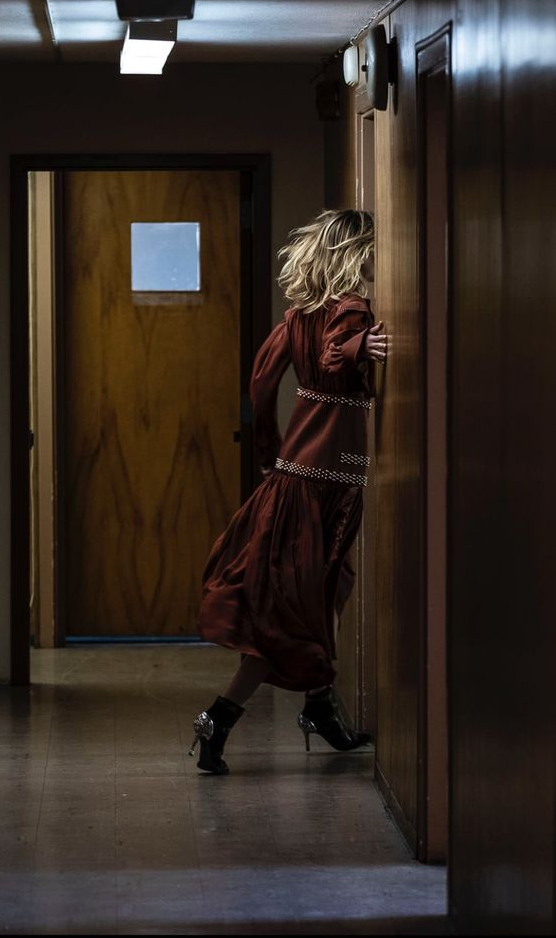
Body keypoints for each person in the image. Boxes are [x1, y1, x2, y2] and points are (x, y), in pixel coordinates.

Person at [189, 209, 388, 774]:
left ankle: (318, 704)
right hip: (326, 478)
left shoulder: (298, 317)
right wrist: (358, 349)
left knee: (331, 586)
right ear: (356, 252)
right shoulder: (351, 310)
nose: (379, 260)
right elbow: (335, 354)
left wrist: (273, 453)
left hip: (295, 475)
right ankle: (220, 717)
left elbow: (260, 383)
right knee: (291, 613)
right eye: (374, 249)